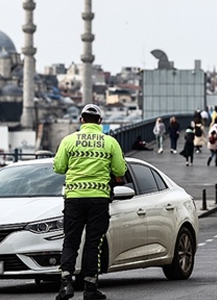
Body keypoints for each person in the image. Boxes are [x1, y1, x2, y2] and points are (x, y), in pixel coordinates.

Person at [53, 104, 127, 300]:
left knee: (70, 242)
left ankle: (66, 284)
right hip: (99, 199)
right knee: (94, 244)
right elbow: (120, 170)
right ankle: (90, 288)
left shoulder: (69, 141)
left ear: (81, 120)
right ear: (100, 122)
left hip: (74, 199)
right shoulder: (110, 142)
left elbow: (59, 168)